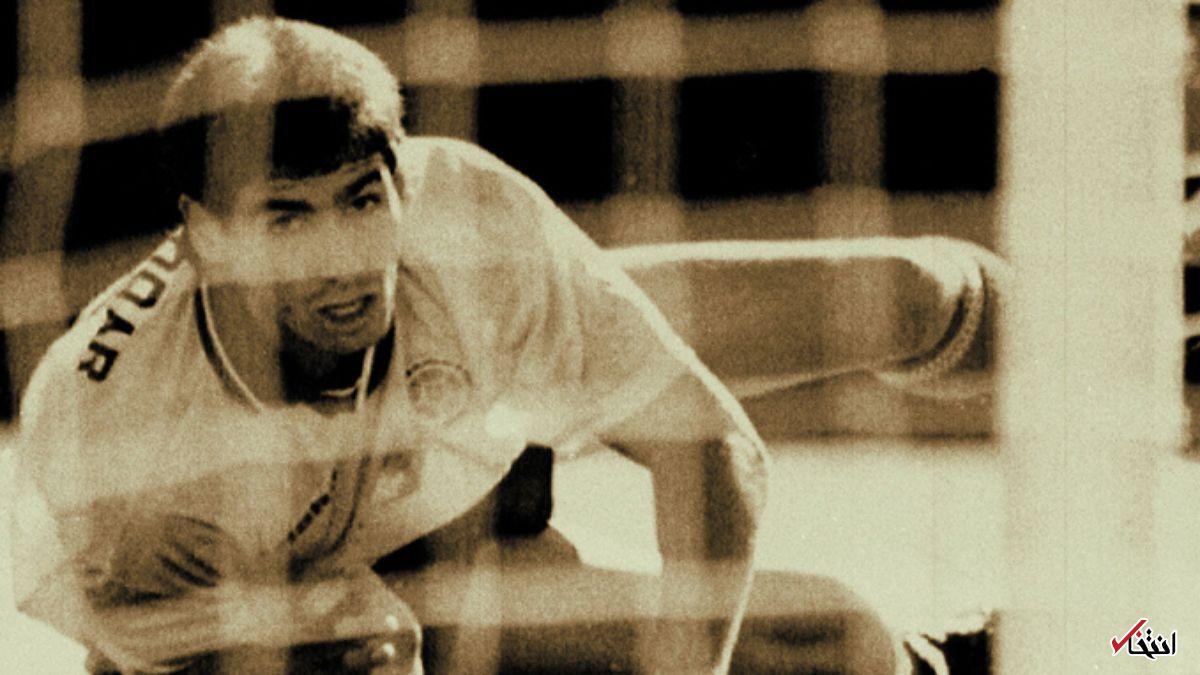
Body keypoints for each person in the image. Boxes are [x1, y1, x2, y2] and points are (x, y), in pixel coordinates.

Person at [9, 16, 1003, 675]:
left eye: (362, 201)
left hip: (475, 392)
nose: (342, 259)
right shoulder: (120, 462)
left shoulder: (462, 223)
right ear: (205, 237)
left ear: (402, 182)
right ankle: (986, 658)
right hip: (374, 565)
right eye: (286, 219)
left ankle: (1106, 320)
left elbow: (711, 446)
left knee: (908, 297)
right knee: (834, 637)